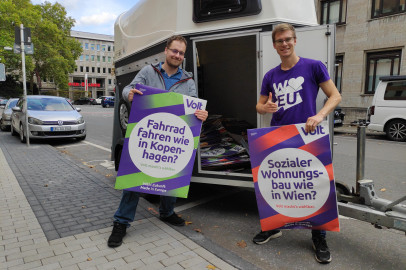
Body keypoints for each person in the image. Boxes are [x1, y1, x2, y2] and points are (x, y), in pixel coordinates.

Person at [108, 35, 208, 248]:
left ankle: (167, 212)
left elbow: (194, 107)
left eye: (181, 53)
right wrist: (131, 94)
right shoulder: (148, 72)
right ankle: (121, 223)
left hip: (171, 137)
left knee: (171, 175)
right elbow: (127, 90)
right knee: (134, 181)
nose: (177, 55)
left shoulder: (188, 81)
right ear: (166, 50)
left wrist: (201, 114)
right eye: (174, 51)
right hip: (147, 135)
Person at [254, 23, 342, 264]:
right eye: (280, 41)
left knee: (313, 187)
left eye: (288, 39)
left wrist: (320, 115)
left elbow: (335, 95)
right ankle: (273, 227)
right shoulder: (270, 75)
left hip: (307, 136)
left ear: (295, 40)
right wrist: (266, 107)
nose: (284, 44)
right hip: (278, 137)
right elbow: (259, 106)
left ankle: (319, 237)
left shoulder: (313, 66)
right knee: (276, 185)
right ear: (274, 45)